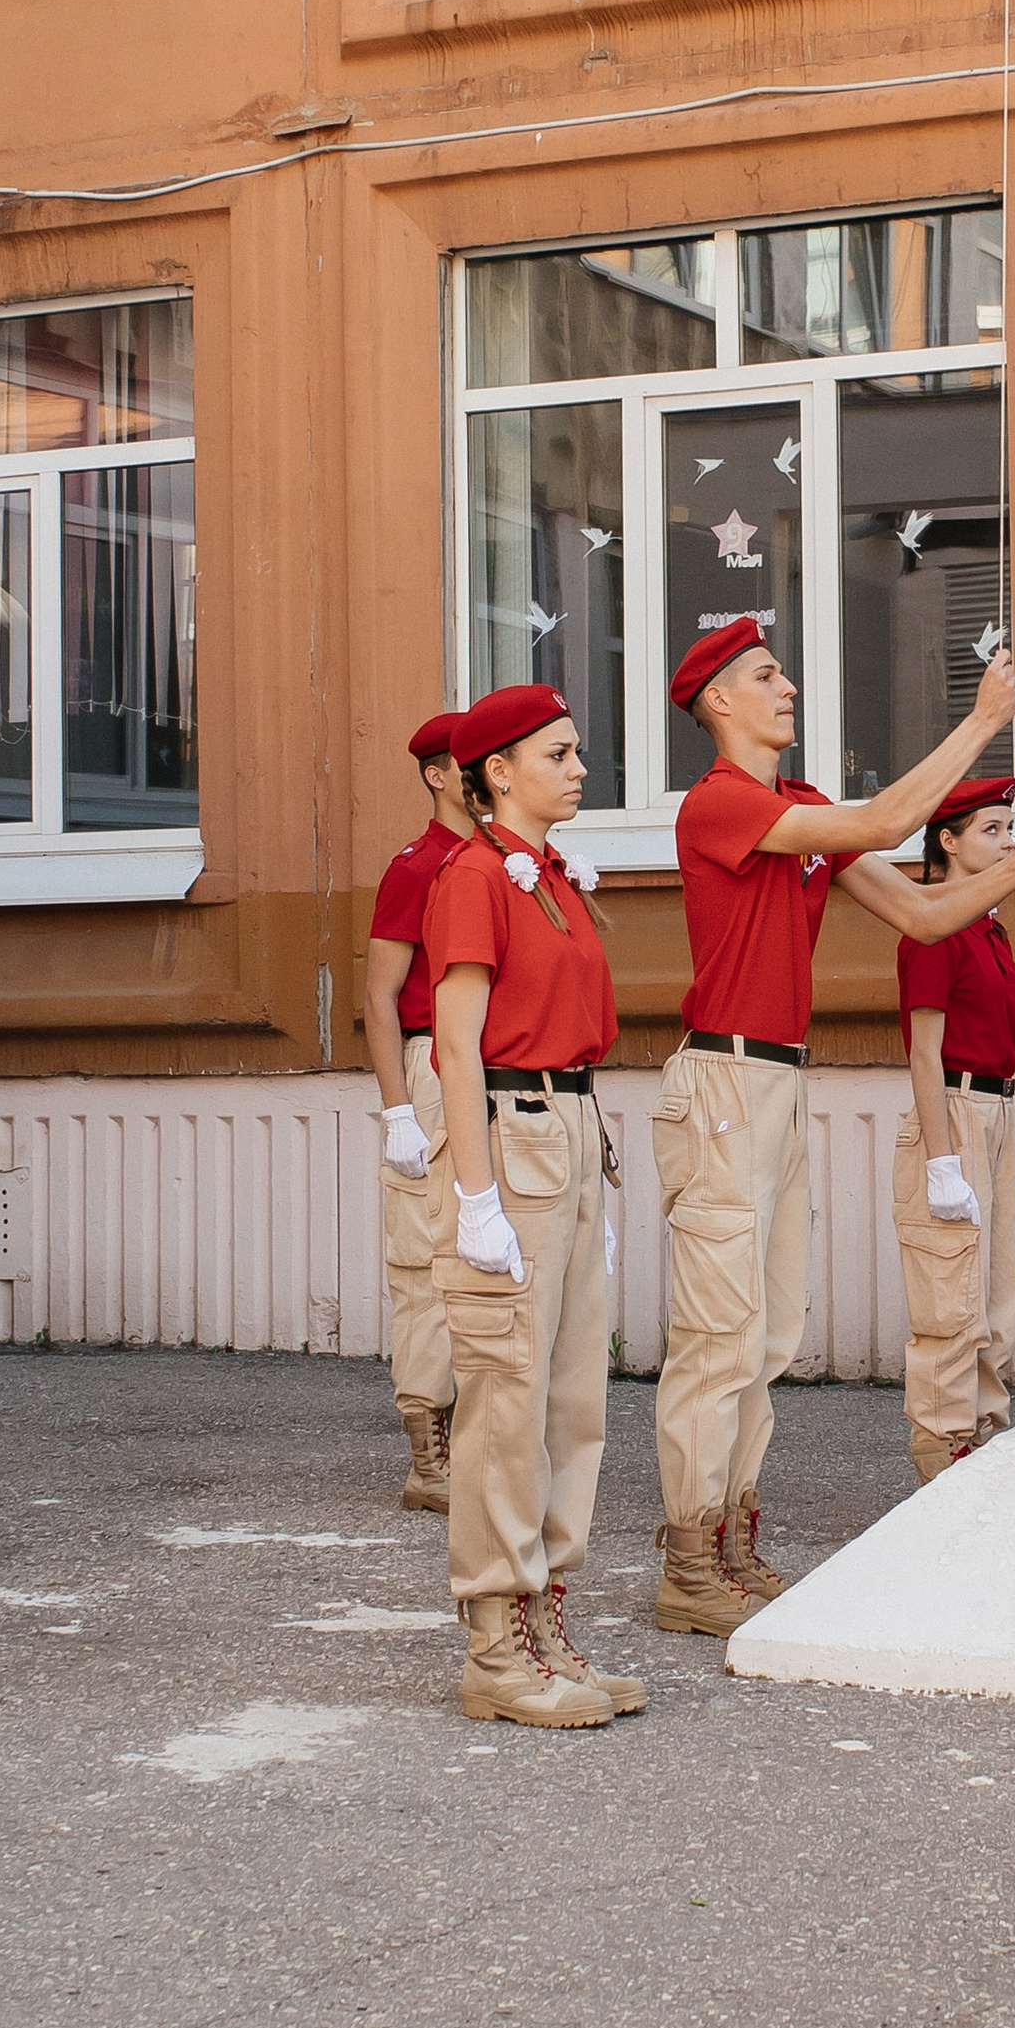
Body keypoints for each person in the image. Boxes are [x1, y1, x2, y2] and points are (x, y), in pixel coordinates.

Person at [652, 618, 1015, 1637]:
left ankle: (732, 1543)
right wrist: (980, 726)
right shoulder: (722, 803)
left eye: (783, 668)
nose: (785, 685)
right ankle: (689, 1557)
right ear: (718, 706)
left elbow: (922, 917)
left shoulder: (792, 809)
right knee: (716, 1336)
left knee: (767, 1330)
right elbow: (883, 825)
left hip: (778, 1082)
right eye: (764, 674)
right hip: (724, 1081)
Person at [422, 682, 629, 1731]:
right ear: (498, 771)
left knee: (569, 1401)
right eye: (558, 752)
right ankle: (495, 1648)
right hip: (515, 1137)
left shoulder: (547, 874)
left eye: (576, 749)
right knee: (506, 1401)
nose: (579, 766)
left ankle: (545, 1617)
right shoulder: (474, 876)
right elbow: (455, 1044)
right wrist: (472, 1195)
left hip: (571, 1130)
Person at [894, 777, 1015, 1479]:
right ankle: (943, 1457)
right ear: (947, 843)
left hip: (997, 1111)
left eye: (1012, 829)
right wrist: (942, 1162)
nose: (1009, 842)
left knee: (998, 1297)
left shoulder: (990, 928)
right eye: (992, 830)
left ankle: (983, 1442)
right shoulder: (934, 924)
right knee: (952, 1304)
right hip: (951, 1109)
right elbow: (924, 1052)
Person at [364, 712, 475, 1513]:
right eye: (469, 761)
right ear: (437, 775)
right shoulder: (418, 867)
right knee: (423, 1256)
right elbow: (376, 995)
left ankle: (477, 1430)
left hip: (494, 1066)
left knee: (482, 1252)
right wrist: (397, 1110)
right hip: (432, 1065)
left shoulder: (504, 861)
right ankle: (428, 1447)